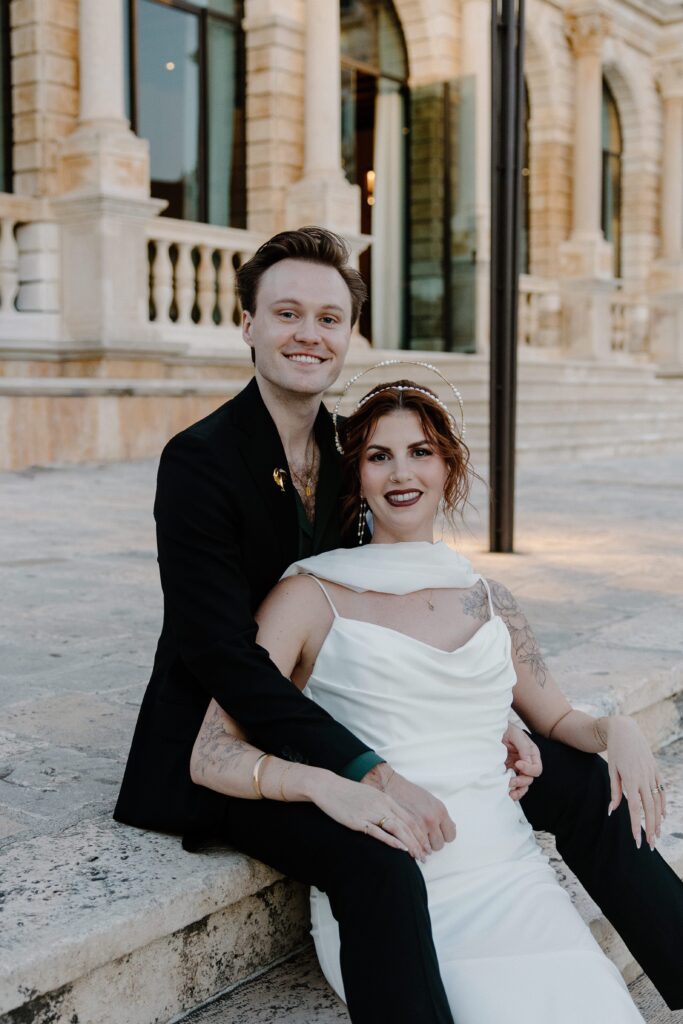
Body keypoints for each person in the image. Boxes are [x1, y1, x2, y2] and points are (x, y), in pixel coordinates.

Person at [114, 227, 683, 1024]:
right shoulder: (200, 461)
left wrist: (491, 718)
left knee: (583, 781)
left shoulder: (346, 445)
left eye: (328, 317)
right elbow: (223, 657)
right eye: (286, 313)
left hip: (346, 712)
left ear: (349, 334)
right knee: (375, 857)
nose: (307, 334)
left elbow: (390, 597)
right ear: (247, 324)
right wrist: (364, 768)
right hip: (230, 734)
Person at [190, 377, 672, 1021]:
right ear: (355, 475)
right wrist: (327, 786)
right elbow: (210, 751)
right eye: (378, 455)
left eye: (420, 451)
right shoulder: (310, 596)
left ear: (449, 465)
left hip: (509, 876)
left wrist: (620, 731)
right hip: (396, 885)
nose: (400, 473)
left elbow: (556, 718)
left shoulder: (490, 598)